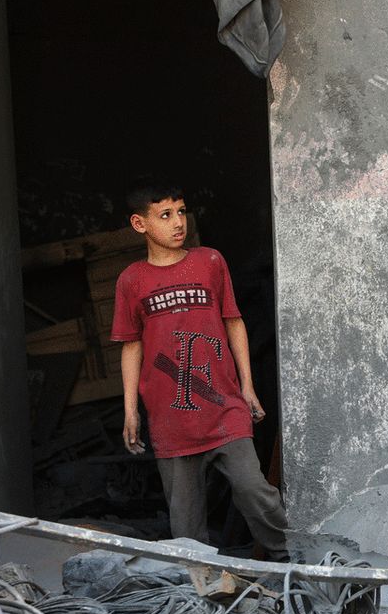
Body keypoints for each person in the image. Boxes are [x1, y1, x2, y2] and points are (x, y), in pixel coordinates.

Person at [111, 180, 289, 560]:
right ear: (140, 224)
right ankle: (203, 590)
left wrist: (248, 386)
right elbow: (132, 344)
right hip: (170, 417)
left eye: (181, 212)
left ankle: (290, 561)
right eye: (165, 215)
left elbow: (234, 321)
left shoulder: (209, 261)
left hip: (222, 405)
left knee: (254, 490)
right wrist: (130, 410)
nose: (179, 223)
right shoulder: (132, 280)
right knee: (187, 528)